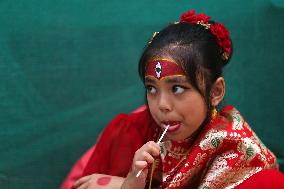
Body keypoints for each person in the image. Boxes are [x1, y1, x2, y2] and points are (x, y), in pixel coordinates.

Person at [62, 9, 283, 189]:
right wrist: (131, 182)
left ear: (215, 92)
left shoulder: (238, 153)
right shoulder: (139, 133)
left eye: (177, 88)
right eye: (151, 88)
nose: (162, 105)